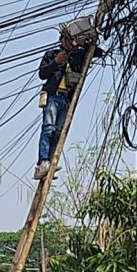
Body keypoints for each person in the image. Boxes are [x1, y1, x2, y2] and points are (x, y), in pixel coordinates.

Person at [34, 29, 100, 180]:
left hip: (67, 99)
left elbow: (98, 52)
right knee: (48, 128)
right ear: (61, 40)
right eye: (69, 40)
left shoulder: (78, 56)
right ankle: (43, 161)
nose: (72, 43)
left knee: (58, 132)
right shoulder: (52, 54)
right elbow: (42, 74)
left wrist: (87, 43)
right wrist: (56, 62)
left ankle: (50, 161)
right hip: (53, 96)